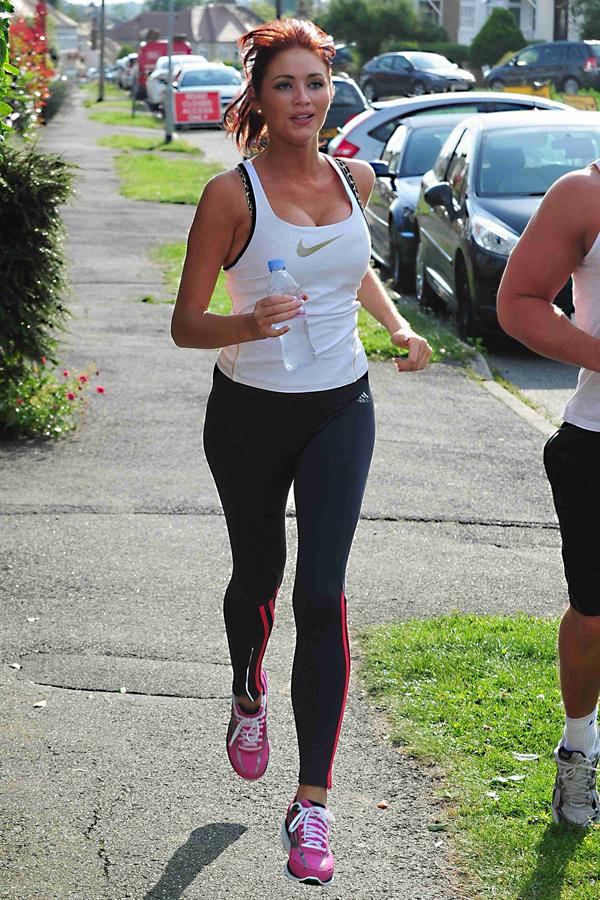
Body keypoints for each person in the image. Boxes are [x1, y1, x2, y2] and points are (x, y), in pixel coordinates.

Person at [170, 18, 432, 883]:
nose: (303, 99)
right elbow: (185, 324)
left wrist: (394, 323)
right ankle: (248, 690)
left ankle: (311, 805)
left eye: (315, 83)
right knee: (259, 581)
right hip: (247, 412)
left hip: (339, 407)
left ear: (332, 90)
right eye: (284, 84)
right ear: (260, 95)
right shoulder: (231, 195)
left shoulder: (352, 177)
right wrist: (244, 323)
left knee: (322, 594)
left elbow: (348, 264)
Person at [497, 158, 600, 827]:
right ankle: (578, 751)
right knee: (594, 618)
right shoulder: (583, 195)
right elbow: (519, 303)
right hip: (595, 440)